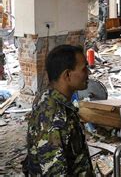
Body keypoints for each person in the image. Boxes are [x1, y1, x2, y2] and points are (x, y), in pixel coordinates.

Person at [23, 45, 93, 176]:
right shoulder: (54, 116)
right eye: (84, 69)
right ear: (67, 75)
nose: (88, 73)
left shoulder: (50, 96)